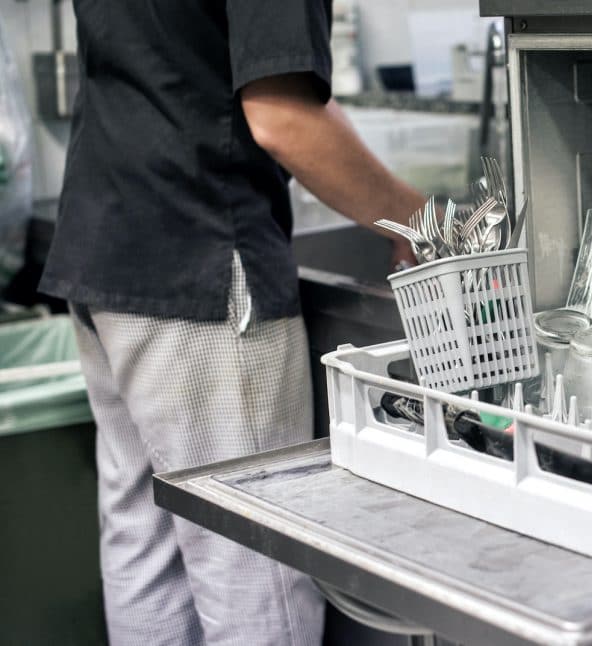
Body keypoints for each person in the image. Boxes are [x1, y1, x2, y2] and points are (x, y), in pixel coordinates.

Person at [38, 2, 424, 644]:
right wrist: (418, 216)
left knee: (145, 543)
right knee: (255, 567)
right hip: (201, 261)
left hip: (106, 249)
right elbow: (283, 119)